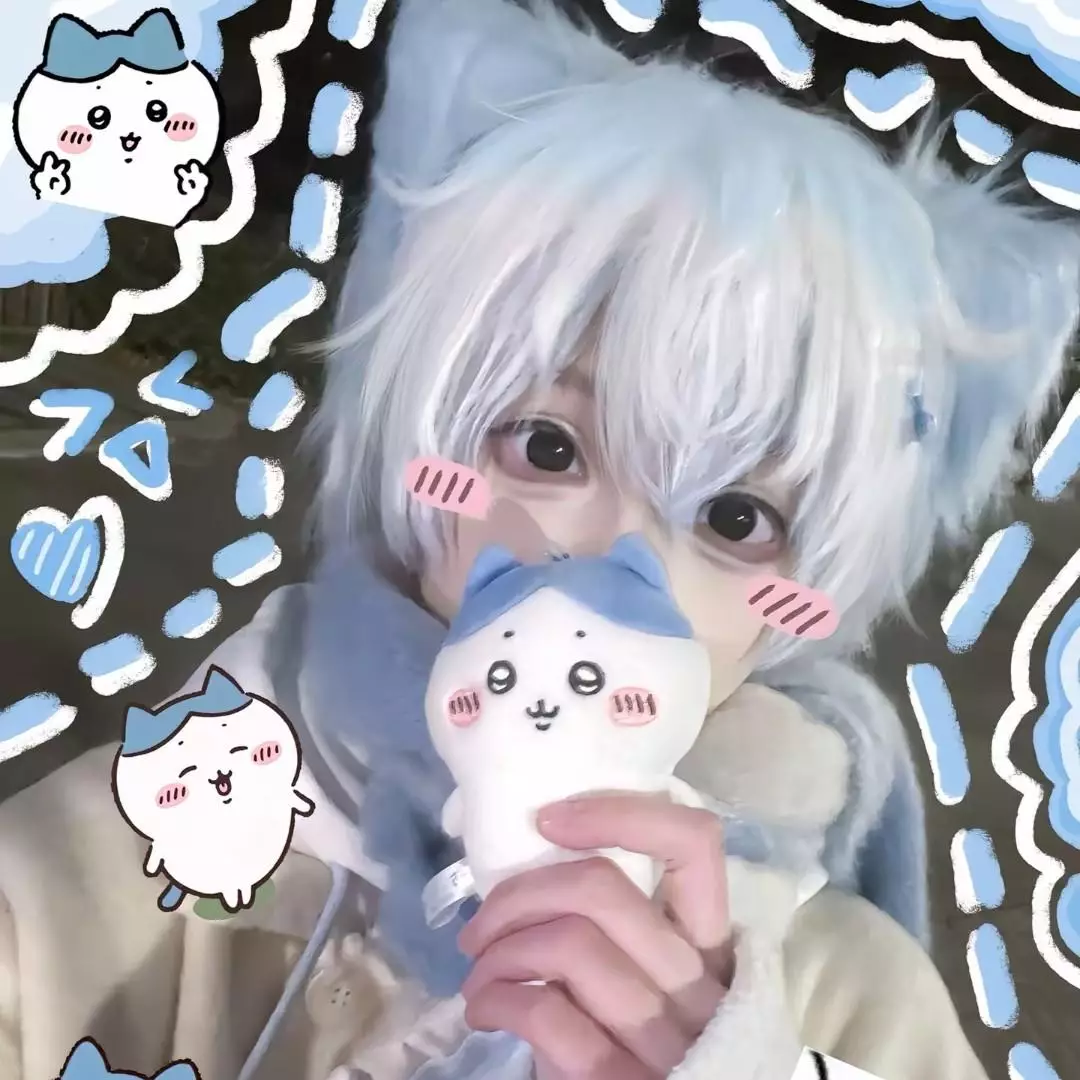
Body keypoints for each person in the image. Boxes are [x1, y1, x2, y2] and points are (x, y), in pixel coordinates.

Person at [0, 0, 1077, 1078]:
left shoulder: (856, 1004)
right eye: (547, 446)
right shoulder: (122, 852)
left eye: (736, 518)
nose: (610, 561)